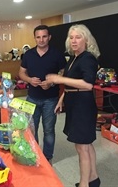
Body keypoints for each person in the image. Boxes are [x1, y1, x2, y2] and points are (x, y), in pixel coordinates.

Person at [45, 24, 101, 187]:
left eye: (78, 37)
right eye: (71, 37)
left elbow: (88, 84)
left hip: (83, 107)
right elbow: (72, 84)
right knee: (85, 144)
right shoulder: (74, 58)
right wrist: (62, 98)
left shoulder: (87, 58)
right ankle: (93, 178)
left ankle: (84, 183)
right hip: (75, 104)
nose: (74, 41)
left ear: (86, 39)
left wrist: (59, 79)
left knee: (82, 147)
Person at [19, 24, 66, 163]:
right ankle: (34, 154)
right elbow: (21, 72)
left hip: (51, 99)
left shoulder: (57, 54)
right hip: (31, 98)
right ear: (34, 38)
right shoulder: (28, 54)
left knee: (49, 130)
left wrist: (52, 82)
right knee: (31, 130)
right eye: (38, 37)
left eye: (44, 36)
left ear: (49, 37)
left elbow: (63, 73)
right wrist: (29, 79)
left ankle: (47, 158)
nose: (41, 40)